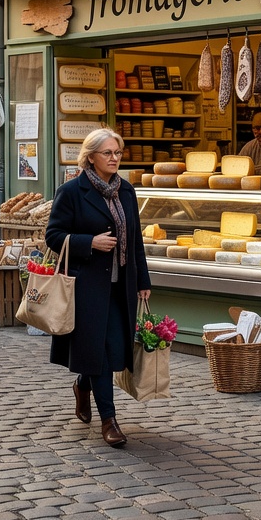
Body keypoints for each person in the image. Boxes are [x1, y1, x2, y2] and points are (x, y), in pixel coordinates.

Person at [45, 128, 151, 448]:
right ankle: (110, 420)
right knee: (102, 354)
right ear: (91, 157)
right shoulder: (72, 192)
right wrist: (89, 242)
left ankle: (83, 384)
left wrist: (143, 280)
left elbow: (135, 242)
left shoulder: (127, 191)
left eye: (118, 152)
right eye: (108, 153)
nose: (114, 158)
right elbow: (54, 236)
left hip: (121, 286)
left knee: (117, 351)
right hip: (87, 286)